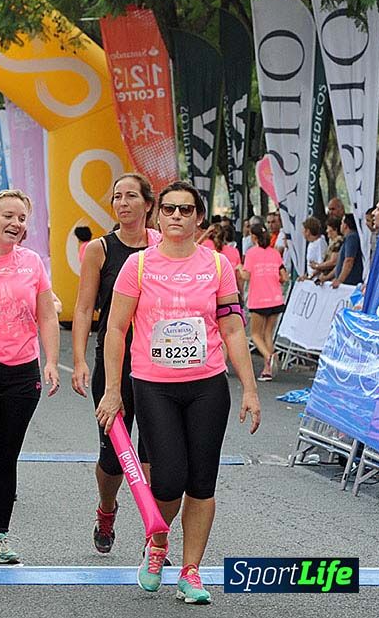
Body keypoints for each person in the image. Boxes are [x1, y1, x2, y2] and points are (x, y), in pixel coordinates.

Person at [96, 180, 261, 605]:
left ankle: (191, 571)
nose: (176, 217)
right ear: (158, 215)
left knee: (202, 482)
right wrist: (113, 389)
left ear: (199, 218)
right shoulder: (138, 265)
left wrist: (249, 387)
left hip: (207, 385)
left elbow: (232, 327)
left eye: (186, 211)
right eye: (168, 209)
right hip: (154, 386)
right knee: (168, 478)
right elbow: (114, 329)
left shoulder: (218, 266)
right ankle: (157, 541)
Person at [0, 190, 60, 566]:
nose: (15, 224)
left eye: (22, 218)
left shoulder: (32, 262)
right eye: (8, 216)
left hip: (22, 371)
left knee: (7, 455)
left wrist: (51, 360)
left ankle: (0, 535)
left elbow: (47, 315)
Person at [72, 173, 160, 556]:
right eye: (117, 198)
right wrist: (77, 360)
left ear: (147, 203)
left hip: (157, 362)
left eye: (130, 197)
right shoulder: (100, 249)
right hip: (114, 363)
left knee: (155, 453)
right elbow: (83, 307)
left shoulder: (162, 246)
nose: (122, 203)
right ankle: (106, 510)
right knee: (113, 458)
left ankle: (153, 533)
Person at [238, 224, 288, 381]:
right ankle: (268, 370)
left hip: (259, 299)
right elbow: (284, 277)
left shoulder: (252, 253)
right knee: (267, 334)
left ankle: (269, 356)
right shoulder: (274, 253)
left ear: (253, 237)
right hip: (275, 298)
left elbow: (246, 276)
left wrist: (239, 267)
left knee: (255, 335)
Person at [332, 213, 364, 288]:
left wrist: (340, 280)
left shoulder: (352, 237)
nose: (340, 225)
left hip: (350, 283)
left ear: (346, 225)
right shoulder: (348, 238)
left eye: (341, 223)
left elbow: (349, 260)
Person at [312, 217, 343, 282]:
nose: (326, 231)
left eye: (328, 228)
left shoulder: (338, 242)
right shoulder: (332, 242)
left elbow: (333, 262)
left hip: (331, 279)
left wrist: (317, 266)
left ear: (335, 229)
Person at [299, 216, 328, 281]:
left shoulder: (320, 243)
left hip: (317, 280)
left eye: (303, 229)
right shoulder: (311, 244)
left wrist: (310, 277)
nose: (302, 232)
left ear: (308, 231)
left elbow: (321, 263)